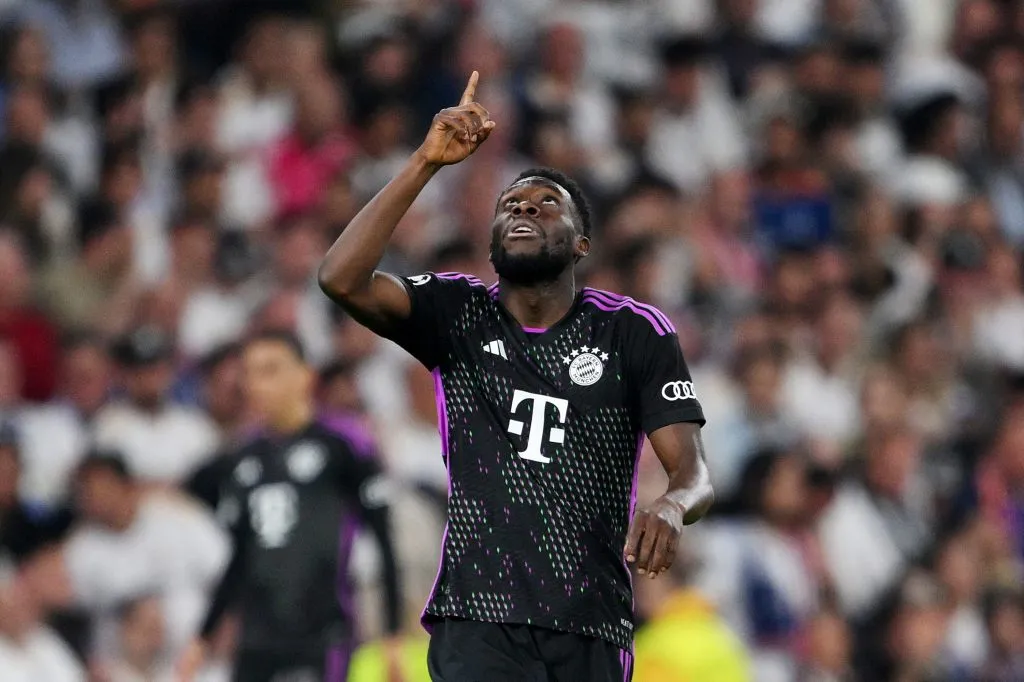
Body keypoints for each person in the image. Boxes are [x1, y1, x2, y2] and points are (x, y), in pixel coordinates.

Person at [318, 71, 714, 681]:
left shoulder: (633, 331)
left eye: (545, 204)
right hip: (477, 617)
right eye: (511, 206)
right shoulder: (458, 314)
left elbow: (694, 471)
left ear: (581, 244)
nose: (524, 207)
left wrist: (671, 504)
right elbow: (340, 278)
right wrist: (426, 162)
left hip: (591, 623)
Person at [177, 331, 403, 682]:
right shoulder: (241, 459)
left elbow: (385, 540)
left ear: (304, 376)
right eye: (250, 373)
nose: (256, 384)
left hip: (322, 634)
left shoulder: (345, 446)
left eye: (271, 370)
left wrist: (392, 635)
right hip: (256, 641)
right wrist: (202, 637)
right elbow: (240, 558)